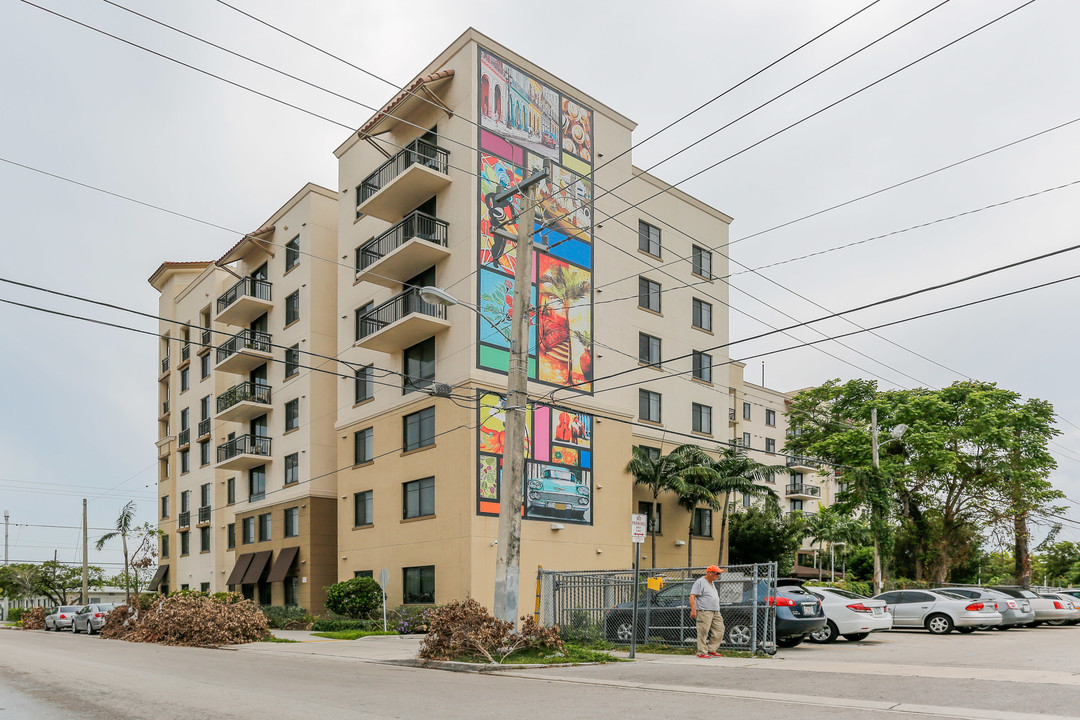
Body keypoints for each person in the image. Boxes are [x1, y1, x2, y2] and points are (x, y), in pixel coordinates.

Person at [689, 565, 725, 658]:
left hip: (716, 611)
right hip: (704, 611)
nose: (718, 575)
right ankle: (701, 652)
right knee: (703, 631)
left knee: (720, 629)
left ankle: (711, 649)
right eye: (717, 573)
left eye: (719, 573)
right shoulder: (700, 582)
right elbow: (692, 596)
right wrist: (693, 610)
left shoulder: (712, 583)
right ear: (710, 573)